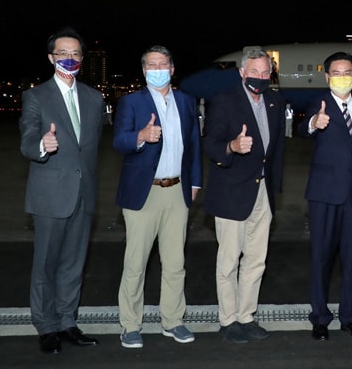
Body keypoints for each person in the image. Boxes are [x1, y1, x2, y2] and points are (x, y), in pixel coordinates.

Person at [20, 27, 104, 354]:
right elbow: (27, 140)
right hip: (50, 195)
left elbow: (90, 147)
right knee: (46, 264)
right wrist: (42, 144)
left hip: (83, 194)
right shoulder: (36, 96)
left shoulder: (94, 98)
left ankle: (67, 321)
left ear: (82, 58)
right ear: (51, 58)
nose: (69, 58)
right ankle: (46, 326)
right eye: (63, 53)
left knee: (73, 263)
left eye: (75, 54)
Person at [113, 45, 203, 349]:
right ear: (143, 70)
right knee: (135, 263)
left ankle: (173, 320)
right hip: (143, 192)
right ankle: (130, 324)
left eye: (162, 64)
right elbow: (119, 141)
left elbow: (194, 145)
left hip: (178, 190)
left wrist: (196, 182)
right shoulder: (130, 102)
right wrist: (140, 137)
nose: (157, 69)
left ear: (172, 69)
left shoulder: (186, 102)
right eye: (151, 65)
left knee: (175, 263)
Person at [203, 47, 286, 344]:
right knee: (228, 261)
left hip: (262, 191)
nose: (261, 78)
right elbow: (210, 144)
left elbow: (276, 152)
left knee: (256, 260)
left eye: (266, 73)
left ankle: (246, 315)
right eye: (255, 72)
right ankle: (228, 319)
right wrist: (232, 148)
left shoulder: (275, 101)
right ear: (242, 73)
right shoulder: (224, 102)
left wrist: (273, 186)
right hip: (231, 192)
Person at [298, 51, 352, 341]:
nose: (342, 77)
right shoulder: (319, 104)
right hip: (324, 194)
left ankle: (350, 317)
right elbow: (302, 130)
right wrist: (311, 124)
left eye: (347, 72)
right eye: (336, 73)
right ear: (327, 76)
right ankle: (319, 318)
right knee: (321, 259)